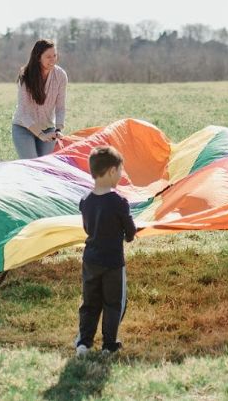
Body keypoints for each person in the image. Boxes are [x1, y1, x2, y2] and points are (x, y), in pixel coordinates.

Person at [75, 145, 137, 356]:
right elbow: (129, 230)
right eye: (120, 171)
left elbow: (87, 228)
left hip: (90, 260)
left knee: (90, 302)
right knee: (113, 303)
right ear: (112, 171)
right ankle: (109, 344)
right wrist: (129, 235)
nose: (120, 175)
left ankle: (84, 343)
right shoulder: (119, 202)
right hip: (112, 263)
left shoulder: (85, 201)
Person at [12, 38, 67, 159]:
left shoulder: (61, 75)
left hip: (48, 128)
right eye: (48, 56)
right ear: (38, 57)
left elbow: (60, 107)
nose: (53, 60)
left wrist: (58, 129)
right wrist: (40, 135)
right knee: (32, 165)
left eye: (55, 55)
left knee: (44, 166)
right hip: (24, 127)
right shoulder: (26, 76)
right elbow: (23, 112)